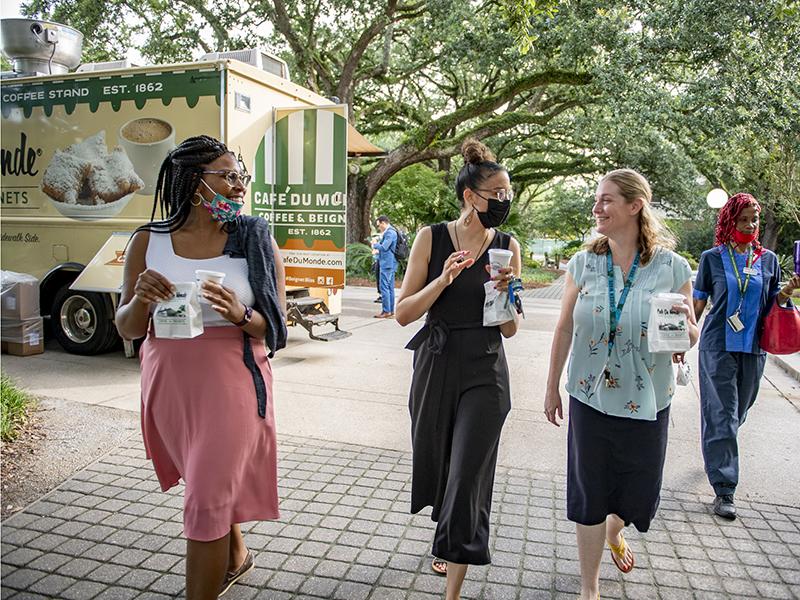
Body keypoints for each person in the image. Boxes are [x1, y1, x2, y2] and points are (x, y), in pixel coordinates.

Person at [115, 135, 287, 599]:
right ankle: (236, 557)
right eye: (228, 176)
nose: (239, 186)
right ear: (194, 184)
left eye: (241, 177)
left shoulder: (253, 238)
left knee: (206, 497)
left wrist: (239, 313)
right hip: (169, 387)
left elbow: (275, 329)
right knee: (205, 480)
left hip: (231, 385)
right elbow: (128, 329)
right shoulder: (148, 242)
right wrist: (140, 301)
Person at [543, 169, 699, 600]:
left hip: (647, 400)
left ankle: (616, 529)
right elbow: (562, 330)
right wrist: (551, 386)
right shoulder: (583, 263)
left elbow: (689, 332)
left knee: (638, 495)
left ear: (635, 206)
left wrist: (688, 333)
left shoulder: (673, 267)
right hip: (589, 396)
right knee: (589, 493)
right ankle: (588, 589)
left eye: (607, 200)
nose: (597, 208)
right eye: (596, 200)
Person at [396, 138, 521, 600]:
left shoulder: (508, 246)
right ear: (471, 196)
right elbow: (404, 313)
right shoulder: (431, 237)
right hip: (437, 360)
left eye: (510, 194)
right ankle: (445, 533)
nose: (505, 202)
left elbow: (510, 330)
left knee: (469, 471)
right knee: (442, 463)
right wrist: (444, 280)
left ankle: (452, 586)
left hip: (487, 368)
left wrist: (505, 291)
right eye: (498, 194)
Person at [693, 192, 800, 520]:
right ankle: (725, 489)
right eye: (744, 220)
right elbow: (697, 305)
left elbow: (770, 304)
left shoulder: (767, 259)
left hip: (753, 348)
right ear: (729, 221)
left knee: (738, 412)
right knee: (723, 415)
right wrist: (680, 341)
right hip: (717, 346)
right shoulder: (711, 258)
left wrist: (786, 291)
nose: (751, 225)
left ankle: (718, 448)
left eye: (754, 219)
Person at [372, 215, 398, 318]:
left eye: (379, 226)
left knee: (385, 287)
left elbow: (384, 247)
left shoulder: (390, 232)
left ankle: (386, 311)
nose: (379, 228)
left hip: (387, 263)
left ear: (383, 223)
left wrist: (375, 244)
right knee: (390, 287)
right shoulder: (390, 232)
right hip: (389, 263)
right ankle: (390, 311)